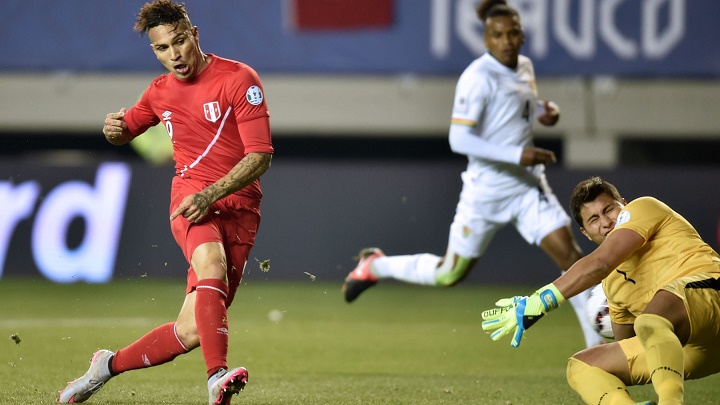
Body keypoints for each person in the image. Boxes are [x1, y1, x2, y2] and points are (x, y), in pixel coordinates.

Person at [342, 0, 603, 348]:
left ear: (522, 35)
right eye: (498, 35)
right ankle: (375, 266)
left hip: (526, 187)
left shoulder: (524, 66)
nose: (506, 41)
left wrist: (543, 111)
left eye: (512, 33)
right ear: (486, 40)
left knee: (571, 257)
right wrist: (517, 153)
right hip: (485, 192)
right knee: (449, 274)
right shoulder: (476, 78)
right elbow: (459, 138)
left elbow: (515, 105)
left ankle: (596, 351)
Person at [58, 1, 273, 404]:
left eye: (179, 42)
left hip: (240, 208)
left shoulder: (239, 79)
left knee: (191, 332)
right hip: (189, 200)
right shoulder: (159, 93)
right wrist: (113, 130)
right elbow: (125, 132)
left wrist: (213, 192)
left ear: (195, 35)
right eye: (161, 49)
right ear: (154, 52)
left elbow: (260, 156)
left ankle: (105, 365)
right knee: (211, 264)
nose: (173, 55)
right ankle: (217, 378)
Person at [482, 177, 720, 405]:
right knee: (583, 365)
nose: (605, 222)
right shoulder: (612, 286)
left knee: (650, 321)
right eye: (593, 219)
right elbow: (629, 347)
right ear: (585, 232)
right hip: (695, 350)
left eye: (609, 210)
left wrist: (540, 301)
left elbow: (600, 263)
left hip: (711, 293)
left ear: (624, 205)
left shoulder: (643, 207)